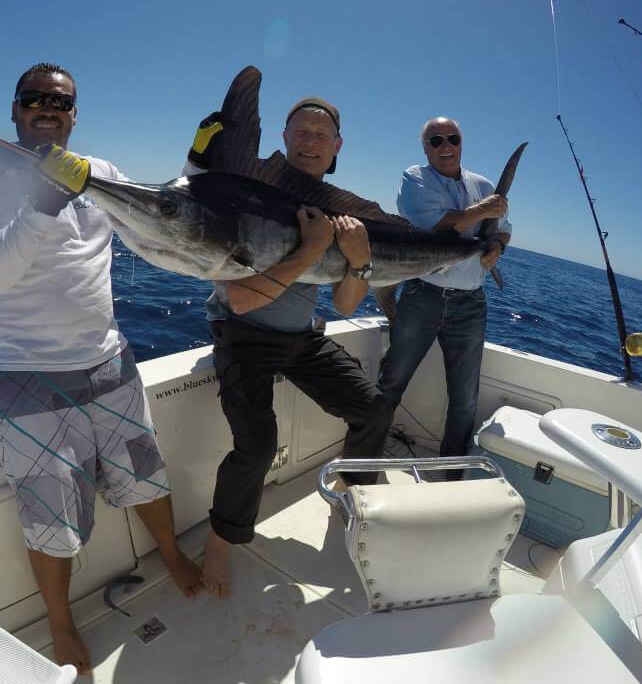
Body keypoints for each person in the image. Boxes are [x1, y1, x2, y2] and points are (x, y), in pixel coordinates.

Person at [0, 62, 202, 673]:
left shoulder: (104, 174)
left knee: (146, 473)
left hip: (109, 362)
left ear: (74, 114)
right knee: (51, 512)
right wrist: (45, 199)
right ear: (14, 109)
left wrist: (199, 165)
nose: (47, 108)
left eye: (60, 102)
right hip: (26, 377)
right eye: (34, 100)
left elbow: (159, 217)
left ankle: (169, 552)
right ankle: (60, 622)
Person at [185, 98, 394, 599]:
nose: (310, 142)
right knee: (256, 444)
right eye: (301, 132)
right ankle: (219, 542)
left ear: (337, 147)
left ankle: (347, 493)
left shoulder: (336, 217)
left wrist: (360, 262)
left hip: (300, 336)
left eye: (321, 136)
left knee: (374, 408)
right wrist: (312, 249)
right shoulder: (248, 201)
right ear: (283, 137)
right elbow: (237, 297)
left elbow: (346, 306)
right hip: (243, 336)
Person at [376, 117, 511, 472]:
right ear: (425, 149)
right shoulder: (415, 178)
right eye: (436, 141)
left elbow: (503, 230)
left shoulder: (483, 184)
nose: (445, 145)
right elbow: (438, 226)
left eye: (452, 138)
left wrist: (496, 245)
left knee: (465, 400)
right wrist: (486, 210)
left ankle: (450, 475)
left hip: (471, 303)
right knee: (391, 382)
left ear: (462, 143)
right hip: (423, 294)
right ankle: (363, 463)